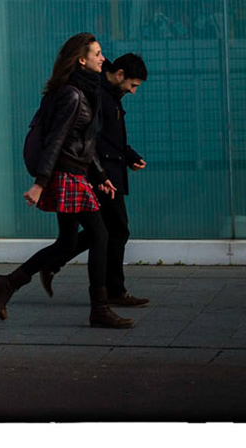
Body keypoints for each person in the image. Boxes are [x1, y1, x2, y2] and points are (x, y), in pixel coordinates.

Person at [0, 33, 135, 329]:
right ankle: (100, 309)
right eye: (97, 53)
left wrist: (102, 176)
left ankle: (8, 282)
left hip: (76, 173)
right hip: (67, 175)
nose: (102, 58)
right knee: (100, 234)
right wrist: (40, 183)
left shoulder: (85, 92)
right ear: (81, 59)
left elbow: (85, 140)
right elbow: (56, 140)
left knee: (67, 241)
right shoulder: (72, 95)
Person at [33, 52, 150, 308]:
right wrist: (101, 175)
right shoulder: (96, 95)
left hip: (105, 171)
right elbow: (90, 140)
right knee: (114, 230)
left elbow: (110, 138)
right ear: (119, 75)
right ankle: (111, 292)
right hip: (98, 174)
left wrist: (129, 156)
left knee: (102, 232)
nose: (133, 92)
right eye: (132, 85)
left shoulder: (109, 95)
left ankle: (51, 266)